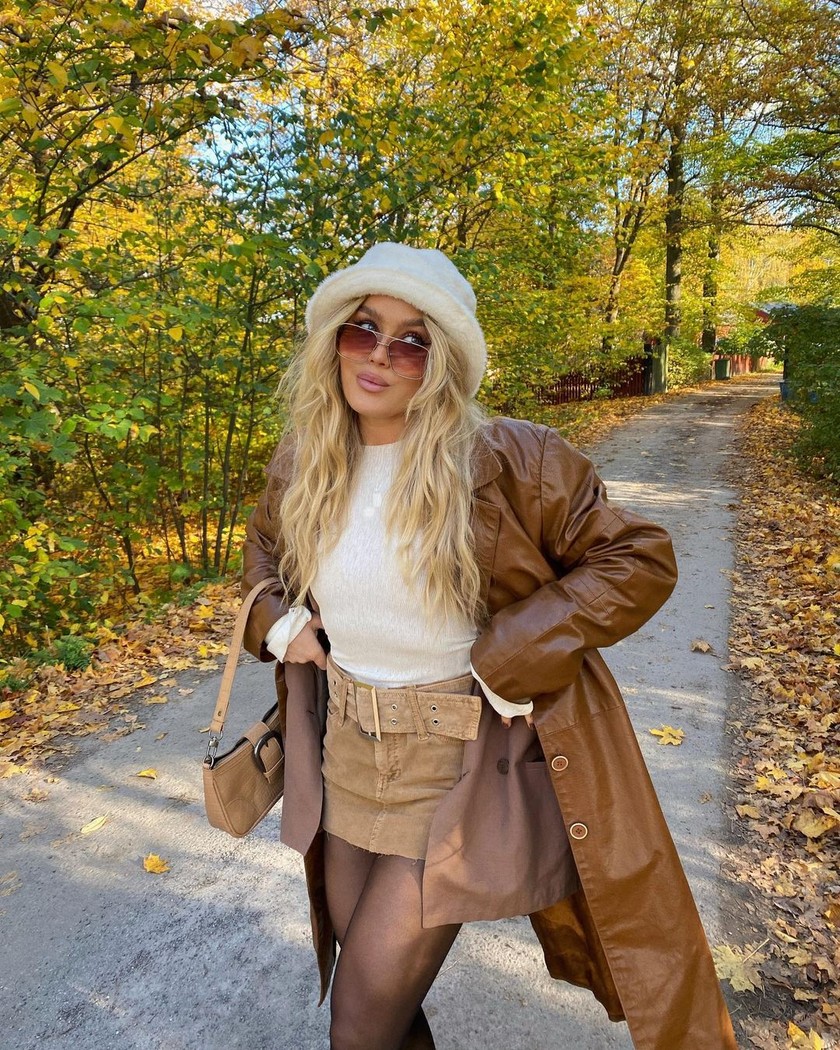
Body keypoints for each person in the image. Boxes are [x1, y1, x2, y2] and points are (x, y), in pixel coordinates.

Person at [241, 242, 736, 1050]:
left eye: (411, 341)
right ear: (333, 336)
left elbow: (640, 558)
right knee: (383, 1007)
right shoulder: (305, 460)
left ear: (440, 364)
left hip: (455, 766)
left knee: (357, 1023)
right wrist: (279, 622)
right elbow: (262, 555)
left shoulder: (511, 458)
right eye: (363, 329)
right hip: (346, 752)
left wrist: (511, 653)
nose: (379, 357)